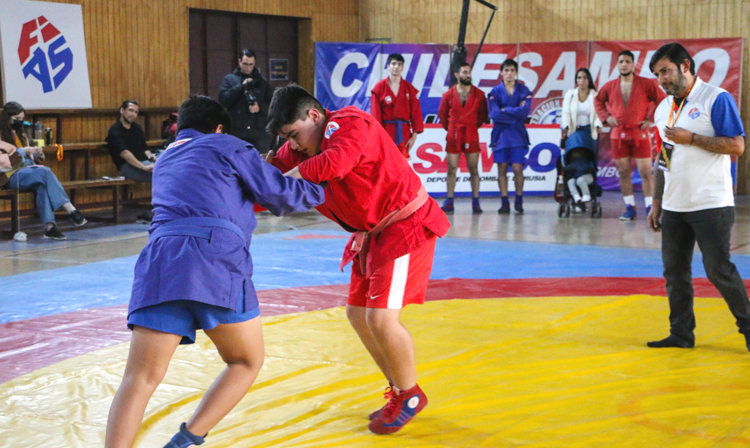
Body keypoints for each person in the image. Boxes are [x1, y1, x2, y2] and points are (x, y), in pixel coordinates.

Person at [104, 95, 325, 448]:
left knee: (140, 378)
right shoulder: (228, 145)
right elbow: (281, 196)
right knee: (246, 361)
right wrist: (325, 183)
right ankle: (187, 440)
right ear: (219, 127)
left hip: (160, 262)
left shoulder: (165, 160)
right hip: (214, 259)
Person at [265, 85, 450, 435]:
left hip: (403, 225)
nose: (291, 145)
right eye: (285, 138)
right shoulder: (297, 151)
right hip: (373, 235)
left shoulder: (351, 124)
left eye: (293, 134)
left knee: (380, 319)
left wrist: (277, 182)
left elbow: (333, 163)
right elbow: (266, 183)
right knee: (358, 315)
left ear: (315, 116)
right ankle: (399, 390)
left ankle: (409, 394)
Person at [647, 43, 750, 351]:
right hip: (675, 204)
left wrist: (691, 138)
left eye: (665, 70)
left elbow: (736, 146)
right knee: (674, 272)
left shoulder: (715, 98)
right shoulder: (663, 109)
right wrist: (656, 201)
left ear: (686, 66)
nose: (661, 79)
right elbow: (663, 156)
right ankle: (681, 333)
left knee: (719, 270)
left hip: (711, 202)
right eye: (656, 74)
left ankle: (747, 328)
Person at [594, 50, 666, 221]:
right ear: (617, 65)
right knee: (623, 172)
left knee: (646, 172)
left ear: (633, 64)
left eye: (627, 61)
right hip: (618, 135)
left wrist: (651, 119)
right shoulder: (610, 86)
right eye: (621, 61)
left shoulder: (645, 83)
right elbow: (598, 101)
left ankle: (650, 207)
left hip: (639, 133)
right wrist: (606, 117)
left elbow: (661, 99)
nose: (624, 64)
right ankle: (630, 207)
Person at [0, 101, 86, 240]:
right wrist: (24, 151)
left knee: (42, 185)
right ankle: (71, 209)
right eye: (17, 119)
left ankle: (50, 227)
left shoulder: (21, 134)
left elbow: (27, 155)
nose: (20, 122)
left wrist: (35, 154)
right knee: (44, 172)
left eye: (22, 119)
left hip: (26, 170)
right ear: (7, 117)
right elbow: (4, 159)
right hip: (8, 174)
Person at [437, 62, 488, 213]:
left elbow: (482, 116)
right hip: (454, 134)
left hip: (471, 133)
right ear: (457, 75)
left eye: (469, 72)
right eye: (465, 72)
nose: (468, 75)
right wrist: (452, 129)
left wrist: (472, 126)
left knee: (474, 168)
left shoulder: (479, 95)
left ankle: (476, 201)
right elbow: (442, 116)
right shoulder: (448, 95)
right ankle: (449, 200)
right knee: (451, 168)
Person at [488, 59, 532, 214]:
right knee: (501, 168)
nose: (509, 73)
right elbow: (494, 114)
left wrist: (504, 110)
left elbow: (524, 113)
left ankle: (519, 200)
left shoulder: (523, 90)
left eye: (512, 70)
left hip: (517, 134)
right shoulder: (494, 92)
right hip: (500, 135)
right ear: (501, 72)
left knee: (517, 168)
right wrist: (514, 111)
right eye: (506, 70)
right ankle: (504, 201)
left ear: (516, 72)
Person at [560, 68, 603, 210]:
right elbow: (566, 113)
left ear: (589, 80)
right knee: (573, 154)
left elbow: (597, 114)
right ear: (576, 80)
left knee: (587, 154)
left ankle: (585, 183)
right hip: (574, 131)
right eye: (579, 78)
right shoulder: (570, 95)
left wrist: (598, 125)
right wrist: (565, 126)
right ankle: (575, 192)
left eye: (585, 78)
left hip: (589, 132)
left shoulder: (594, 95)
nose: (582, 80)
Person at [218, 48, 275, 152]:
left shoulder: (263, 83)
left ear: (255, 63)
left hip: (258, 132)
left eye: (251, 65)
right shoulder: (230, 79)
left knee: (260, 162)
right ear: (239, 62)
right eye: (245, 64)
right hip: (237, 130)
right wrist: (240, 87)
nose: (248, 67)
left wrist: (259, 108)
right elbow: (223, 100)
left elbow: (273, 106)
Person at [370, 53, 424, 159]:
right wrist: (378, 135)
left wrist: (414, 135)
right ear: (388, 66)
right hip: (385, 131)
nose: (396, 67)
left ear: (402, 68)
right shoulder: (379, 88)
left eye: (399, 64)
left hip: (404, 132)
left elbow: (416, 113)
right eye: (393, 64)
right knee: (386, 162)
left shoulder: (409, 88)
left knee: (403, 164)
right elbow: (375, 114)